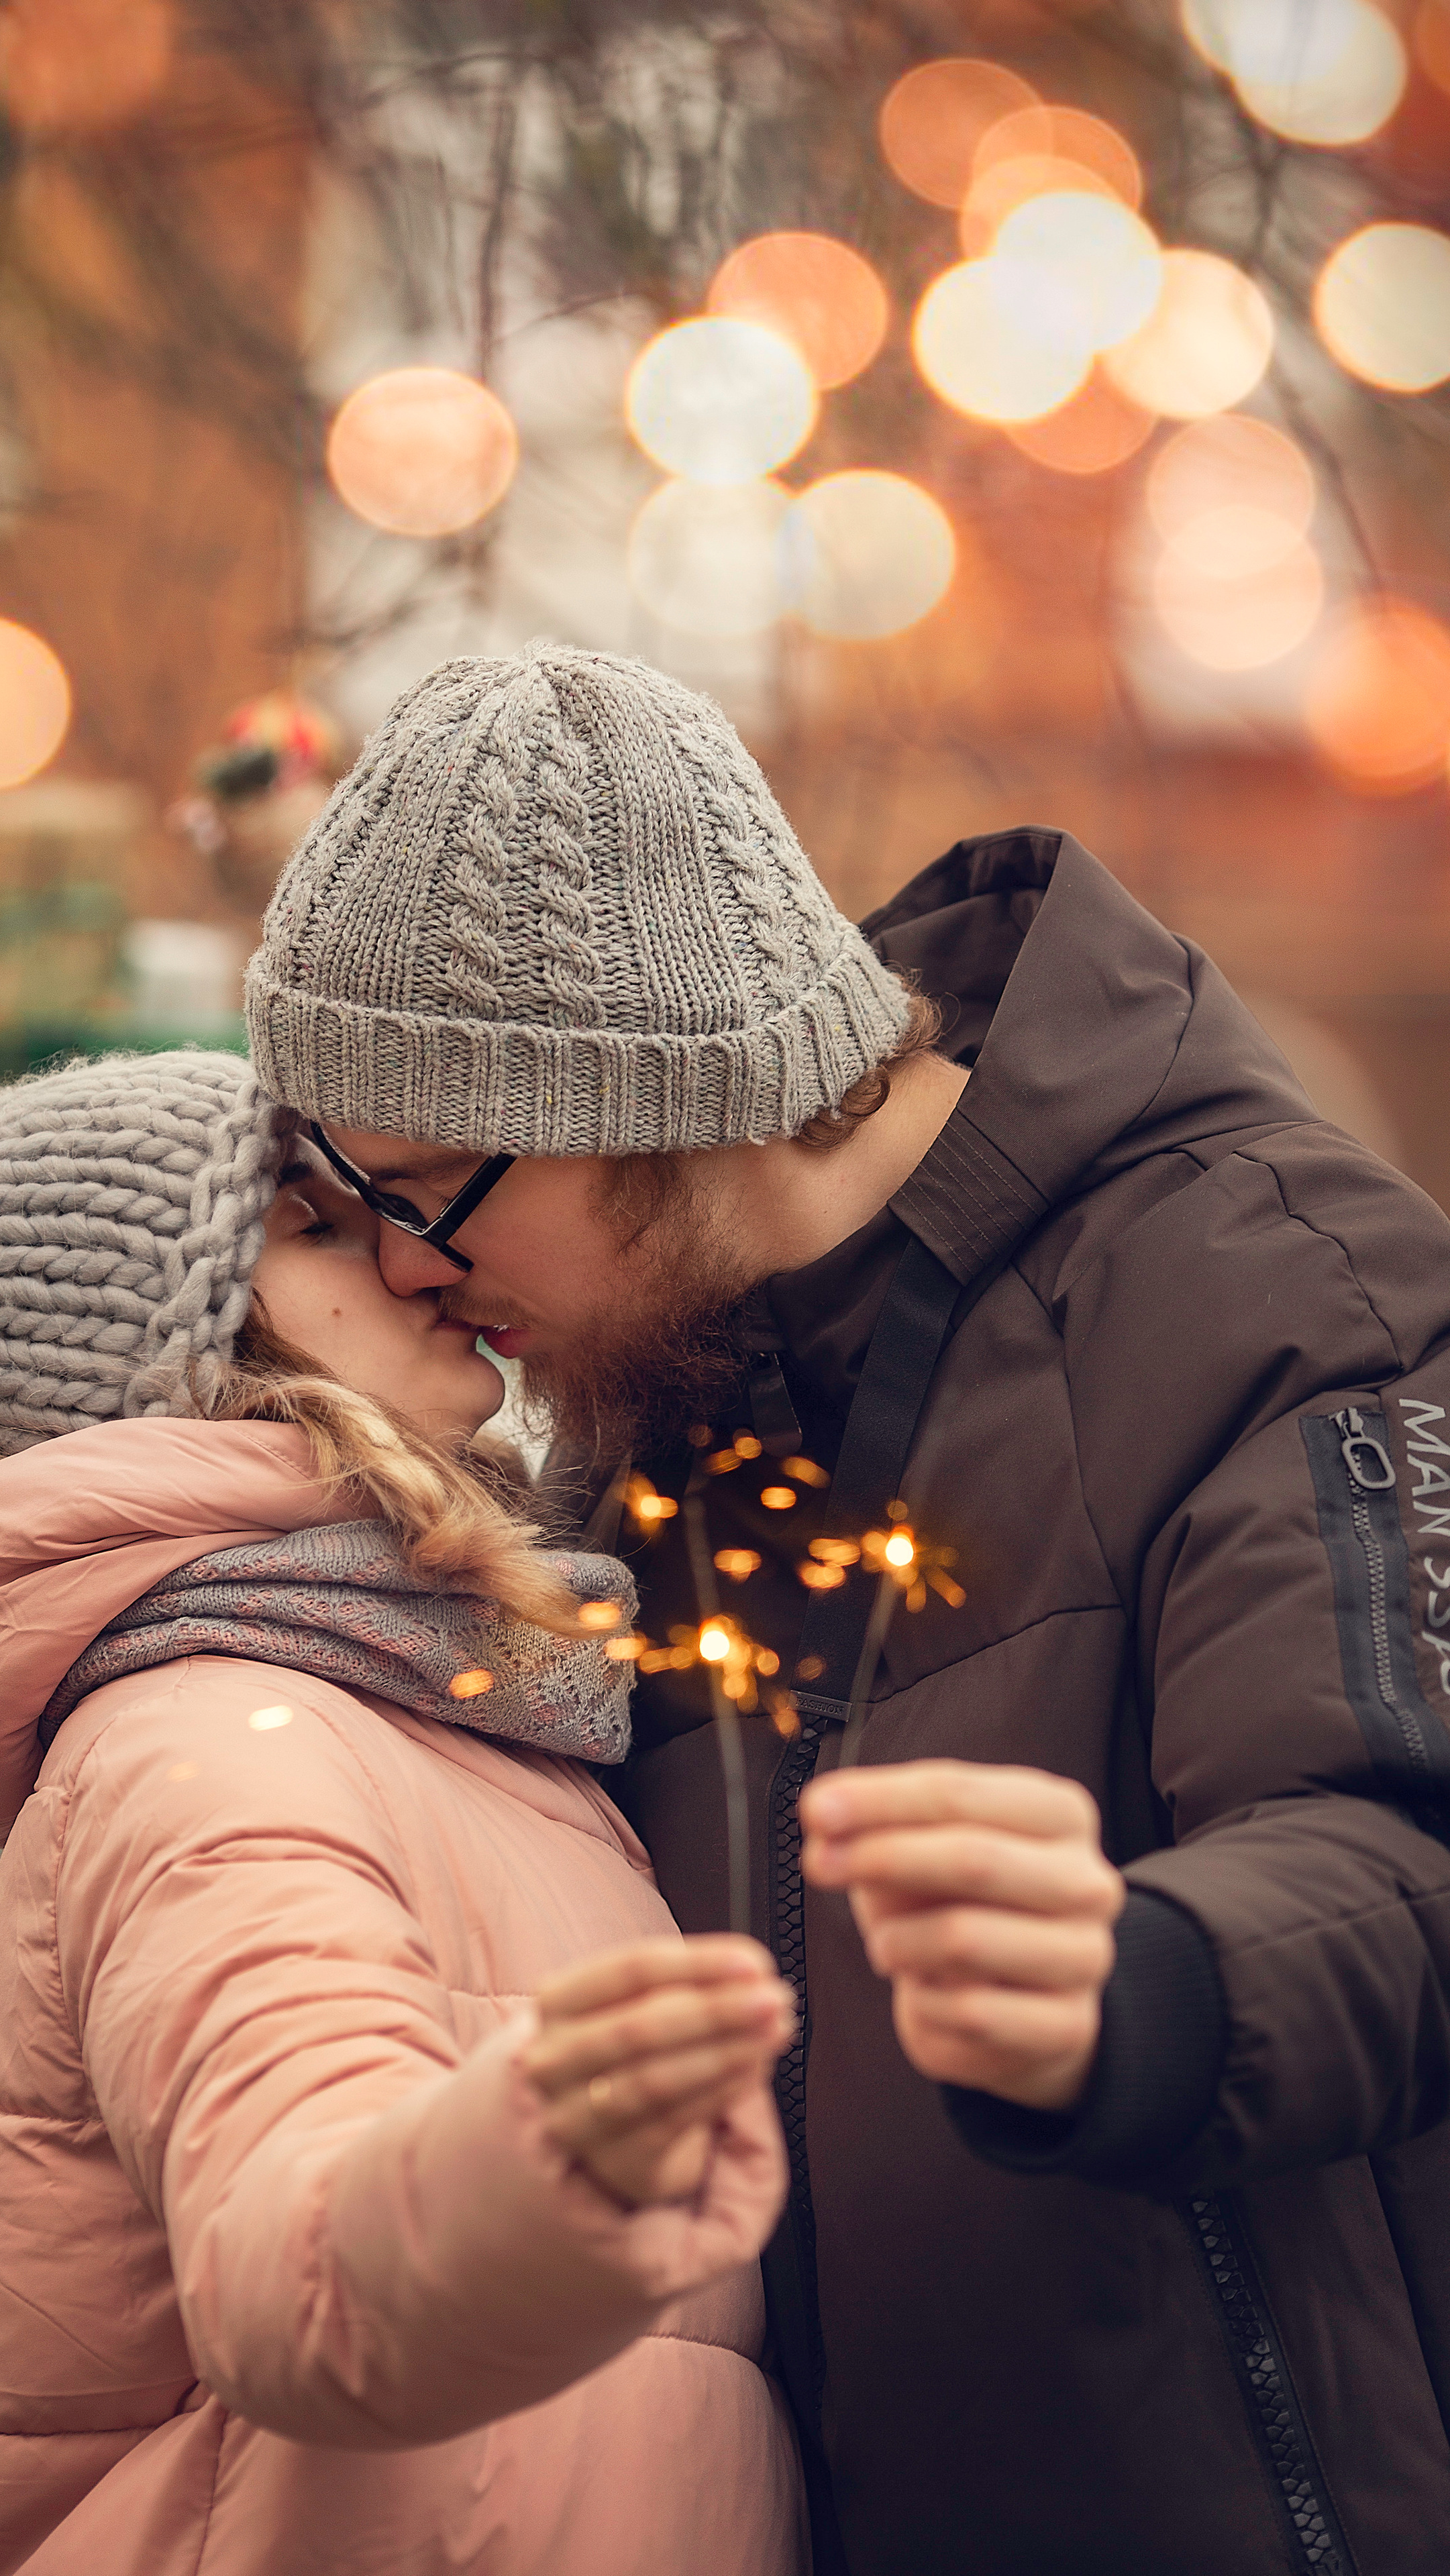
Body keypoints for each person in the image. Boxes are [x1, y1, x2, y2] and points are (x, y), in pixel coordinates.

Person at [245, 639, 1450, 2576]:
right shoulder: (647, 1417)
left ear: (644, 1097)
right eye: (348, 1199)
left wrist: (1151, 1982)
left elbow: (1402, 1842)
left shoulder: (1276, 1286)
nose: (402, 1270)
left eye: (427, 1189)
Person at [0, 1050, 808, 2576]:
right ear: (186, 1358)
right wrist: (540, 2164)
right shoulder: (219, 1733)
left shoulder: (415, 1680)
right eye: (319, 1223)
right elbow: (301, 2265)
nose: (419, 1256)